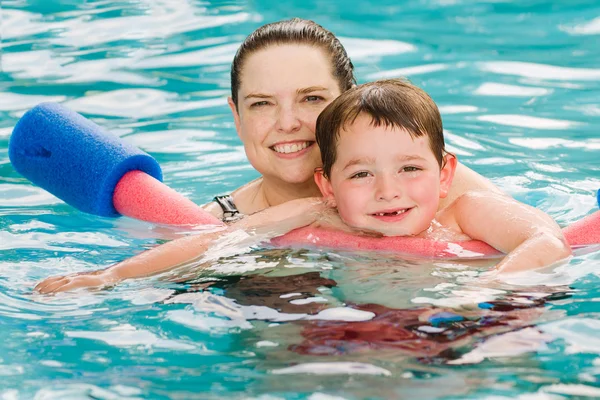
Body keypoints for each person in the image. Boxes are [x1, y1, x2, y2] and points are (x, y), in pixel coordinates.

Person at [35, 78, 571, 293]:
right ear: (328, 185)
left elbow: (547, 241)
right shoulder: (314, 216)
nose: (389, 190)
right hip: (360, 328)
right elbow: (216, 241)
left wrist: (486, 290)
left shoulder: (466, 213)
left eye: (411, 168)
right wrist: (109, 275)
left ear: (444, 173)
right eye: (362, 174)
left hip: (469, 322)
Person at [203, 18, 501, 221]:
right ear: (237, 118)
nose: (287, 123)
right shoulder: (218, 227)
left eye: (311, 98)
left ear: (351, 103)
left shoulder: (431, 186)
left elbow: (540, 250)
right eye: (262, 103)